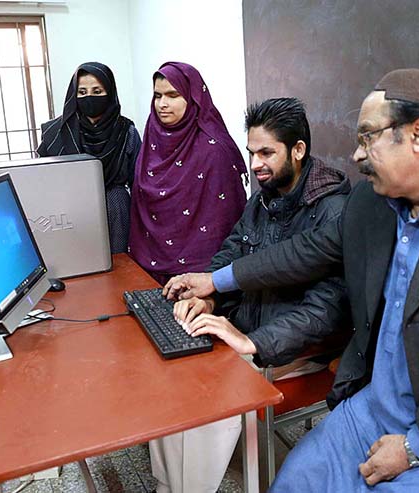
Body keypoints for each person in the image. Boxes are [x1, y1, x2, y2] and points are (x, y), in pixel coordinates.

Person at [164, 69, 419, 492]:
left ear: (418, 134)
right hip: (372, 407)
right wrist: (214, 282)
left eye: (368, 137)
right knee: (293, 483)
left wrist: (415, 446)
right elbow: (304, 252)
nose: (356, 155)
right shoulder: (370, 202)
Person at [149, 98, 351, 493]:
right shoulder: (264, 197)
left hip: (298, 348)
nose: (255, 163)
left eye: (266, 153)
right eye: (251, 153)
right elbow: (231, 254)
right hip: (246, 331)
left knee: (209, 398)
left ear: (298, 150)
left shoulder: (333, 212)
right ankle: (169, 485)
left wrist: (253, 344)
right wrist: (207, 299)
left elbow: (325, 311)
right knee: (170, 377)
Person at [128, 62, 246, 285]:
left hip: (203, 279)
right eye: (157, 96)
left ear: (193, 97)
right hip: (148, 272)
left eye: (173, 95)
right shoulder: (152, 140)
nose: (162, 104)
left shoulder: (214, 150)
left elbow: (226, 223)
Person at [37, 61, 140, 254]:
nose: (89, 97)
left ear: (110, 93)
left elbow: (139, 184)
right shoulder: (55, 133)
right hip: (70, 213)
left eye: (97, 91)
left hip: (115, 210)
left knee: (119, 269)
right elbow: (42, 180)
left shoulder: (126, 131)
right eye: (82, 92)